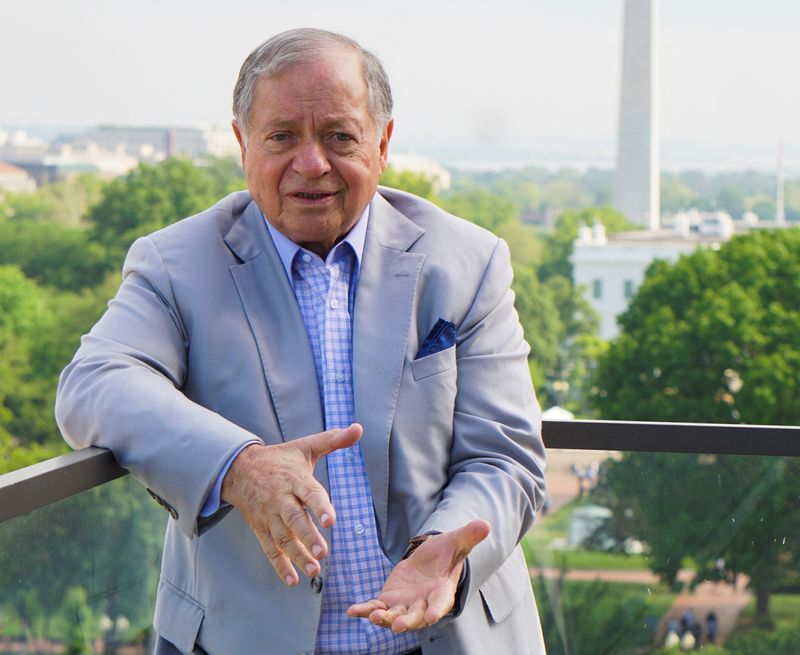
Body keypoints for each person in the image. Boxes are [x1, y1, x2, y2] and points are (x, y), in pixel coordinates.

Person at [55, 28, 547, 655]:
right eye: (282, 136)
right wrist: (238, 465)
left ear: (383, 144)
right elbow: (93, 384)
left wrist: (445, 548)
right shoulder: (174, 265)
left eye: (339, 136)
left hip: (448, 637)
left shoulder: (467, 261)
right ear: (242, 144)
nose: (311, 164)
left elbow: (506, 456)